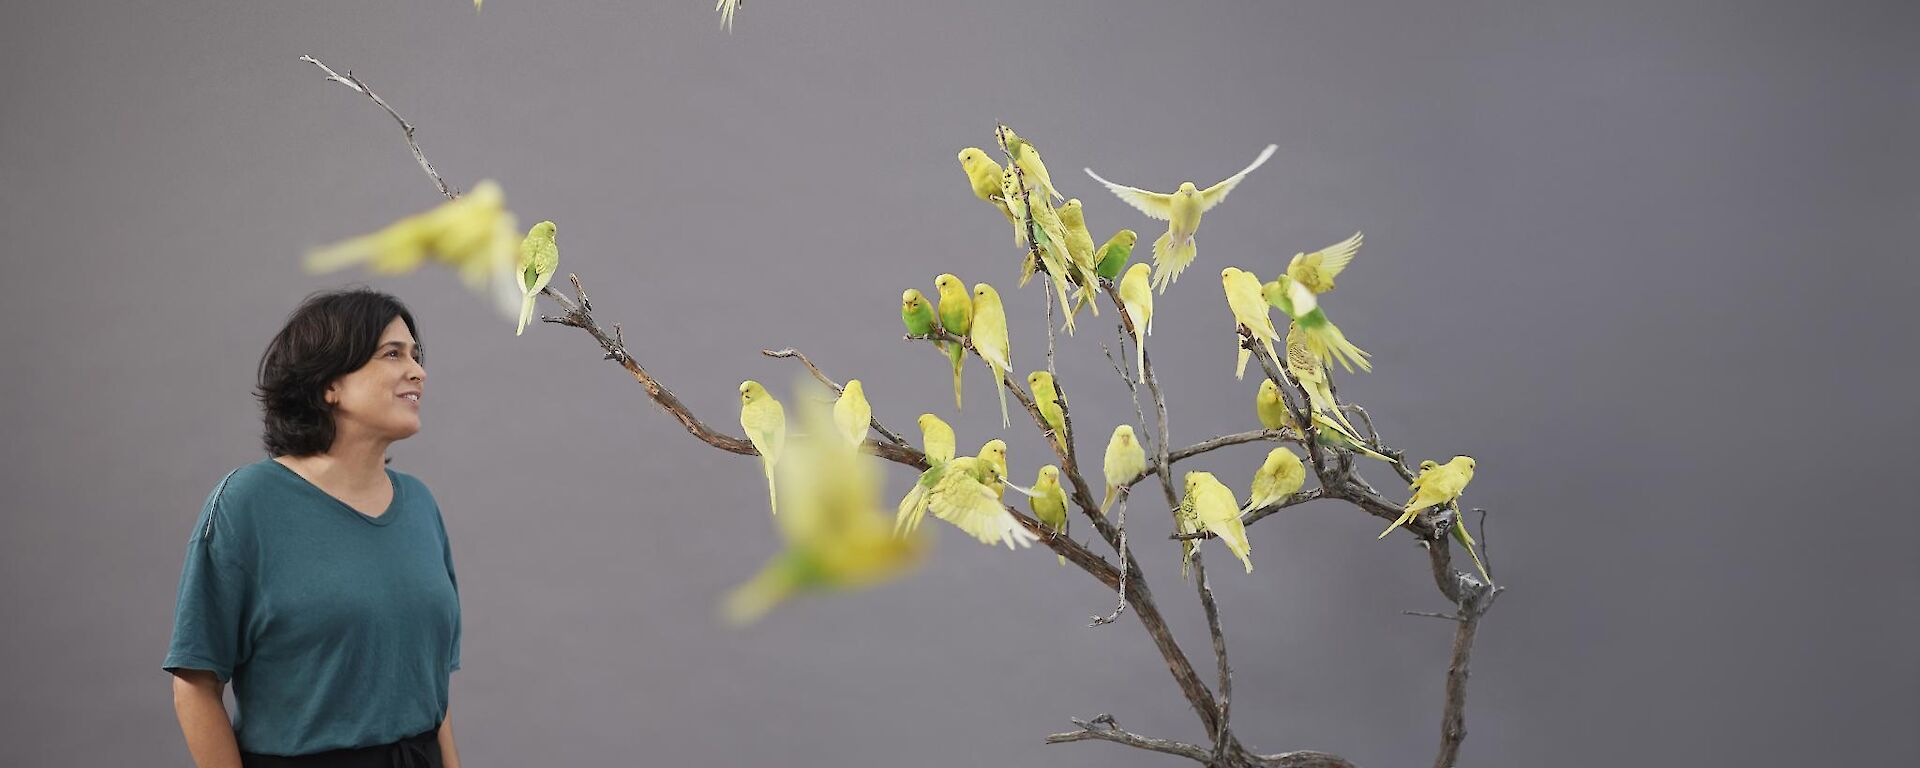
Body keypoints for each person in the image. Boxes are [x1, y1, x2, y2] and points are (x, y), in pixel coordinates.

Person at [165, 288, 463, 768]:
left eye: (416, 355)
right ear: (330, 384)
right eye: (393, 354)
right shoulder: (248, 503)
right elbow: (195, 685)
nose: (418, 371)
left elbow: (433, 690)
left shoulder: (421, 506)